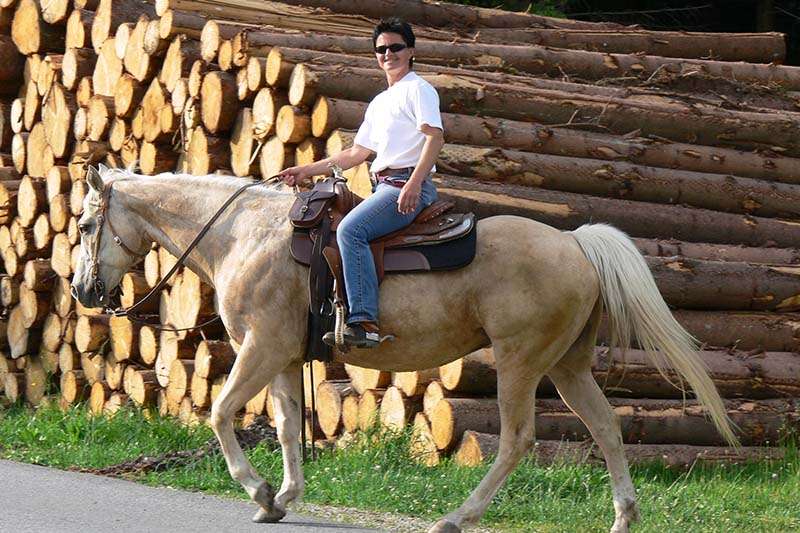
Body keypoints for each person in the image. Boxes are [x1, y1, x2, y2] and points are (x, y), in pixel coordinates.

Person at [278, 17, 445, 349]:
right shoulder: (380, 102)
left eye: (396, 47)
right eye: (381, 49)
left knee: (351, 230)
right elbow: (357, 153)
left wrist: (414, 183)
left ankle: (364, 321)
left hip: (406, 186)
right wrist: (306, 170)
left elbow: (435, 136)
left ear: (411, 51)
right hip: (383, 186)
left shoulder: (418, 89)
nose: (388, 54)